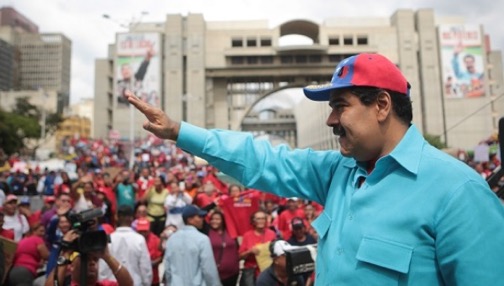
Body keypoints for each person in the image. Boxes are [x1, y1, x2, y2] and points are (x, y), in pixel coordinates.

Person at [125, 52, 504, 285]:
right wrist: (179, 132)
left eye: (340, 105)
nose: (331, 120)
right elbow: (264, 160)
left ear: (382, 105)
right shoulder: (340, 171)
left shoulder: (459, 192)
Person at [45, 229, 134, 286]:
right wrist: (65, 254)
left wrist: (107, 257)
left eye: (95, 259)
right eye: (86, 259)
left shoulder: (105, 285)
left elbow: (128, 284)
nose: (92, 263)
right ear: (71, 266)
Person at [163, 204, 220, 286]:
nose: (202, 219)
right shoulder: (202, 239)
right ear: (190, 220)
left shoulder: (172, 239)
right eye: (199, 217)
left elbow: (168, 268)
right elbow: (208, 269)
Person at [99, 205, 152, 285]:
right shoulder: (139, 239)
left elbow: (102, 270)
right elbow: (145, 269)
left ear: (117, 217)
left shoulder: (109, 239)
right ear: (132, 219)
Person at [238, 210, 276, 286]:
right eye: (258, 219)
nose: (261, 221)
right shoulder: (247, 235)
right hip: (251, 272)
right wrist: (249, 251)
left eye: (263, 218)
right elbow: (239, 256)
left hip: (267, 270)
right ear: (253, 221)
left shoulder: (271, 234)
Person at [208, 211, 240, 286]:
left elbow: (237, 249)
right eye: (212, 219)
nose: (214, 221)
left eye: (217, 219)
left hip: (232, 273)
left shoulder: (231, 232)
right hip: (214, 274)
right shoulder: (207, 232)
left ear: (223, 220)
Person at [134, 218, 163, 286]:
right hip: (137, 279)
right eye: (140, 231)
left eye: (145, 231)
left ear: (149, 229)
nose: (143, 233)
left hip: (154, 279)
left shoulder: (156, 240)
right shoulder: (133, 240)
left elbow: (161, 257)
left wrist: (149, 264)